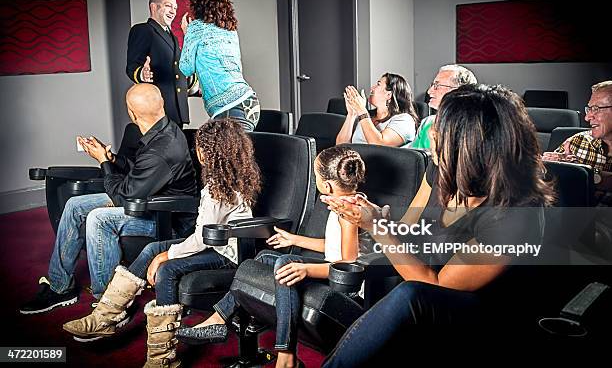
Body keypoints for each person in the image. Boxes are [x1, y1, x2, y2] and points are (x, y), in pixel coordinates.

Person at [321, 84, 555, 367]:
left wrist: (377, 229)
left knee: (409, 295)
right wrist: (376, 218)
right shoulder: (442, 168)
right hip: (425, 284)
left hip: (480, 315)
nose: (430, 133)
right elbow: (408, 229)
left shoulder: (517, 213)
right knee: (373, 265)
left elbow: (436, 286)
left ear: (472, 145)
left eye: (441, 129)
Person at [62, 118, 261, 367]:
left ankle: (162, 357)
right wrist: (161, 253)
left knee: (166, 267)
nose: (196, 151)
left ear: (209, 152)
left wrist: (167, 255)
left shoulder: (222, 188)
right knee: (151, 249)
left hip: (227, 253)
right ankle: (105, 316)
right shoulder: (226, 176)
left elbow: (201, 239)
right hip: (213, 244)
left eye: (199, 146)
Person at [175, 146, 367, 368]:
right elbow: (334, 247)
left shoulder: (348, 213)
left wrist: (305, 269)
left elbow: (348, 265)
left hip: (343, 286)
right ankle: (220, 318)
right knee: (266, 256)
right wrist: (294, 240)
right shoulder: (340, 205)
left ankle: (286, 354)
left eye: (315, 178)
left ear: (327, 185)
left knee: (285, 263)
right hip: (330, 271)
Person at [20, 84, 197, 315]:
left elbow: (123, 197)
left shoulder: (162, 148)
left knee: (99, 219)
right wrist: (112, 158)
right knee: (74, 205)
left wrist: (102, 162)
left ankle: (110, 301)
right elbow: (141, 173)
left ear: (132, 113)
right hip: (148, 200)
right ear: (161, 103)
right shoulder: (163, 130)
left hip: (167, 217)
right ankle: (60, 286)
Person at [179, 0, 260, 131]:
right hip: (248, 102)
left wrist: (187, 35)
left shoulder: (196, 27)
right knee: (238, 154)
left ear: (198, 4)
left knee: (223, 154)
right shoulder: (230, 30)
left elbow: (185, 68)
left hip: (230, 107)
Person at [127, 0, 191, 127]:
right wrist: (142, 75)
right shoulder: (143, 30)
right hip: (159, 109)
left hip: (177, 109)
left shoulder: (172, 36)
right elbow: (132, 66)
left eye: (175, 8)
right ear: (154, 7)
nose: (173, 11)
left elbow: (178, 69)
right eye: (168, 6)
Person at [542, 81, 612, 206]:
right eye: (589, 109)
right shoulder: (577, 142)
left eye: (596, 109)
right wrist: (553, 168)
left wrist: (581, 172)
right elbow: (549, 189)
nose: (587, 117)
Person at [336, 73, 418, 147]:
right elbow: (340, 147)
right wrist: (351, 114)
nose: (372, 88)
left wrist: (361, 110)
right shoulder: (365, 117)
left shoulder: (405, 120)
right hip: (354, 163)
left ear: (389, 94)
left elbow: (379, 145)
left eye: (378, 85)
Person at [409, 64, 477, 149]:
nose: (429, 92)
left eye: (437, 86)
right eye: (432, 85)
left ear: (458, 92)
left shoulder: (473, 130)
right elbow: (412, 157)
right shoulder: (427, 123)